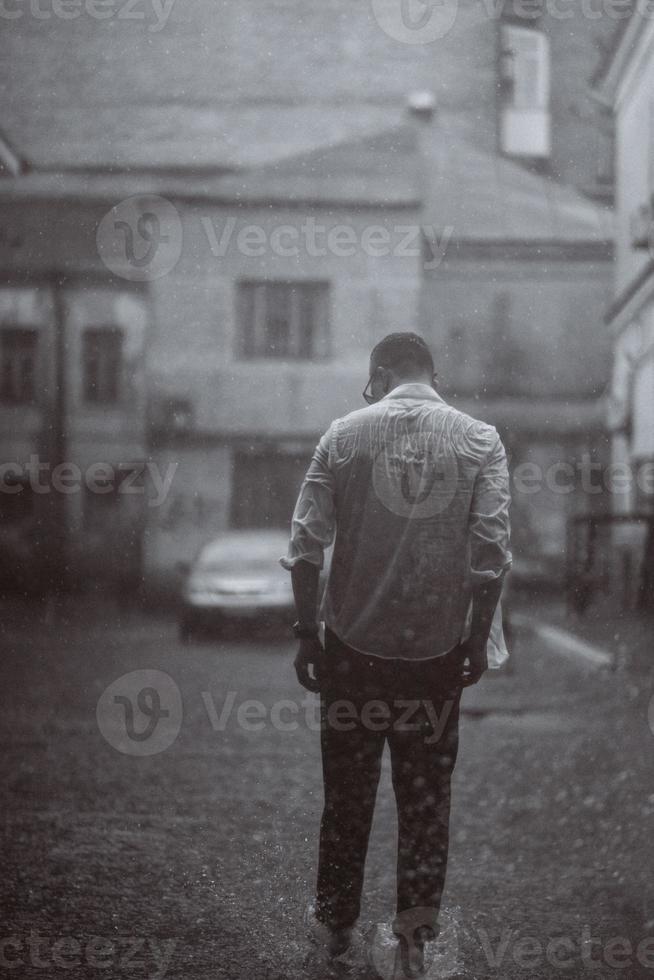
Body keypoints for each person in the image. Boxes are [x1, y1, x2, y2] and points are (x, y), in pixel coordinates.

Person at [281, 332, 512, 970]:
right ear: (430, 374)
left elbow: (306, 544)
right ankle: (412, 945)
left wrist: (307, 633)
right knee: (426, 805)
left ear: (380, 374)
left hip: (353, 653)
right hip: (435, 657)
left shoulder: (344, 435)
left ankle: (334, 935)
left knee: (347, 801)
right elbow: (491, 552)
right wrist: (476, 637)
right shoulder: (478, 440)